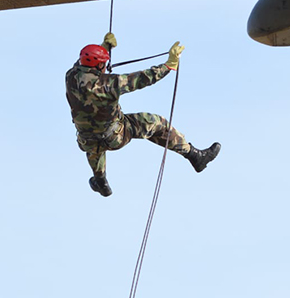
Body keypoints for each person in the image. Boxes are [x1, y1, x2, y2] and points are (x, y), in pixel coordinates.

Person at [65, 32, 221, 197]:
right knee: (156, 123)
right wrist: (169, 65)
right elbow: (141, 79)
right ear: (98, 66)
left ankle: (100, 180)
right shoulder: (108, 84)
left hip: (86, 140)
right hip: (115, 136)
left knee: (93, 139)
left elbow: (82, 64)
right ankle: (195, 156)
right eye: (103, 64)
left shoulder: (70, 76)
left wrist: (104, 48)